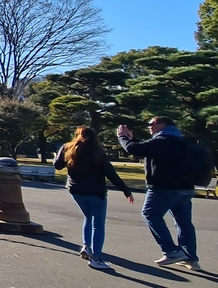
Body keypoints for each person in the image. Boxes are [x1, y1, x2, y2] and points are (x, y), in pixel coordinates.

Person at [118, 116, 200, 271]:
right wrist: (132, 138)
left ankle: (171, 251)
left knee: (150, 214)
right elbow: (145, 148)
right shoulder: (180, 141)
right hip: (185, 188)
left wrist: (122, 137)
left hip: (164, 188)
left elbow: (134, 149)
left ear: (164, 125)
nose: (149, 126)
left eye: (152, 124)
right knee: (183, 223)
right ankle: (190, 257)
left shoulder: (164, 140)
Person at [54, 127, 134, 270]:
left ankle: (86, 246)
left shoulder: (68, 148)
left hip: (76, 190)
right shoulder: (98, 152)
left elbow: (58, 166)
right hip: (96, 191)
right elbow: (111, 174)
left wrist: (57, 156)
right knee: (98, 224)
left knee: (88, 217)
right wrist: (126, 190)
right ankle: (96, 258)